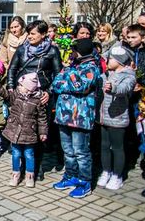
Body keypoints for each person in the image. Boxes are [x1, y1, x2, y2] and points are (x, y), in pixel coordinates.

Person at [7, 20, 62, 181]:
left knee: (38, 133)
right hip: (21, 95)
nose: (29, 36)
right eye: (29, 33)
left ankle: (36, 167)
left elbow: (58, 75)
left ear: (43, 34)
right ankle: (20, 167)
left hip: (41, 97)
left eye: (33, 33)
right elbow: (12, 69)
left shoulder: (52, 51)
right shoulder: (21, 49)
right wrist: (11, 88)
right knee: (20, 130)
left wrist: (49, 92)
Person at [52, 38, 101, 198]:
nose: (71, 53)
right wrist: (68, 80)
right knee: (68, 151)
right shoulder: (71, 67)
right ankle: (71, 176)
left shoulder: (92, 67)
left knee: (81, 152)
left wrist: (70, 74)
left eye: (73, 50)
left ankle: (84, 181)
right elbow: (56, 84)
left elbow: (81, 87)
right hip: (63, 115)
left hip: (80, 117)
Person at [0, 73, 47, 188]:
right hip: (15, 130)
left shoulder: (38, 100)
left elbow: (42, 118)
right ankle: (15, 174)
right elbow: (6, 95)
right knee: (16, 154)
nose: (19, 86)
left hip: (30, 132)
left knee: (29, 154)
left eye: (21, 85)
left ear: (28, 88)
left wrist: (43, 132)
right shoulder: (17, 94)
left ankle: (29, 176)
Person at [96, 46, 136, 190]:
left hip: (117, 118)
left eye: (111, 58)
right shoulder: (106, 73)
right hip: (103, 116)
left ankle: (117, 175)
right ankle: (106, 171)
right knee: (105, 146)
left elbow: (125, 88)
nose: (108, 60)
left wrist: (113, 88)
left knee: (117, 147)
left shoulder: (128, 75)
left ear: (120, 61)